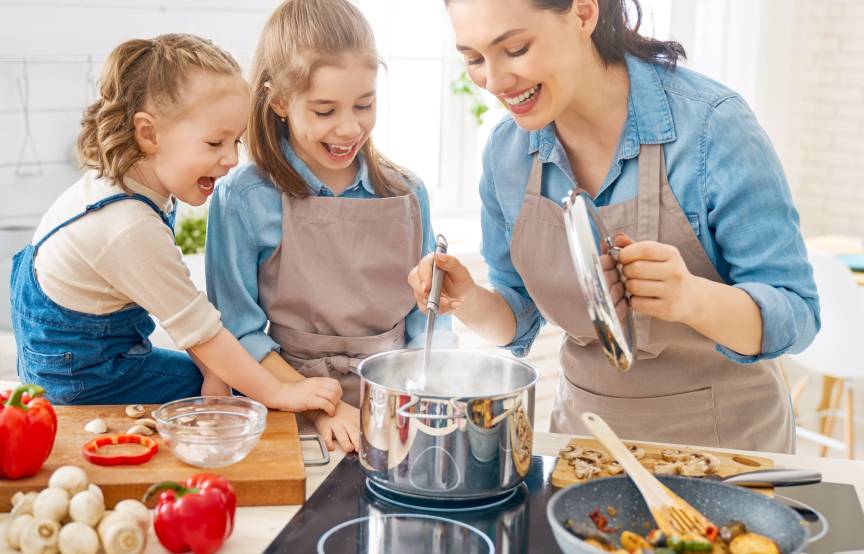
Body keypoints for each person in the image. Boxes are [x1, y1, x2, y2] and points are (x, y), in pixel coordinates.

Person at [408, 0, 819, 453]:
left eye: (516, 48)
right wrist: (466, 300)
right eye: (473, 58)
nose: (495, 80)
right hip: (583, 444)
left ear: (584, 14)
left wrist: (692, 298)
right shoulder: (507, 154)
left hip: (725, 449)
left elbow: (797, 315)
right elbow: (517, 316)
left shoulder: (711, 127)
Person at [10, 33, 341, 415]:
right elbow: (201, 332)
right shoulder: (126, 226)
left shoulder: (127, 183)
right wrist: (280, 394)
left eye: (237, 142)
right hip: (87, 378)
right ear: (149, 133)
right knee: (246, 394)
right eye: (216, 143)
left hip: (77, 359)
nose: (233, 159)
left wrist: (214, 372)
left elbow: (183, 311)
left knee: (225, 378)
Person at [205, 0, 452, 452]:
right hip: (287, 401)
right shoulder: (243, 197)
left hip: (400, 404)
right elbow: (236, 332)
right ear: (279, 100)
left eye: (364, 104)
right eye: (324, 111)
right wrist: (320, 405)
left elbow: (428, 318)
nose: (349, 127)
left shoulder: (407, 193)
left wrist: (426, 388)